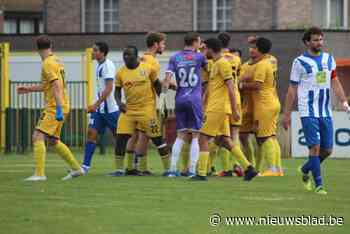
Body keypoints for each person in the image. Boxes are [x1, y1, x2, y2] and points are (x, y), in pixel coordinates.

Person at [283, 27, 350, 195]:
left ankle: (306, 168)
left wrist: (343, 101)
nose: (319, 42)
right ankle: (319, 185)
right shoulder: (299, 62)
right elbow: (292, 89)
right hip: (308, 111)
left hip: (325, 111)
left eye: (320, 39)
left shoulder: (329, 59)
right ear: (307, 42)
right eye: (315, 40)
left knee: (327, 150)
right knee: (314, 147)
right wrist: (287, 114)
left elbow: (335, 81)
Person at [17, 35, 83, 181]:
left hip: (55, 106)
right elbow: (48, 86)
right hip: (62, 104)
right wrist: (28, 89)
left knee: (37, 136)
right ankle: (77, 169)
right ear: (51, 46)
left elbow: (56, 86)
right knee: (53, 140)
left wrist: (58, 108)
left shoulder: (47, 64)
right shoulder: (56, 61)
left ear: (37, 49)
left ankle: (39, 174)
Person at [191, 38, 258, 181]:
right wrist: (203, 103)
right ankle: (249, 168)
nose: (203, 52)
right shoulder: (215, 64)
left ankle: (201, 173)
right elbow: (212, 87)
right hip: (217, 107)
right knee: (225, 140)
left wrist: (235, 109)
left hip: (218, 108)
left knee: (203, 138)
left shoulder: (222, 64)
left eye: (204, 48)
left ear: (210, 48)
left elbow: (231, 88)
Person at [110, 46, 170, 176]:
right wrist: (119, 103)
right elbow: (117, 91)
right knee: (121, 138)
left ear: (136, 56)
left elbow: (157, 86)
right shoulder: (120, 73)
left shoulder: (148, 69)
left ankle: (168, 170)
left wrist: (163, 104)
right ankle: (120, 170)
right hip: (129, 110)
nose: (126, 57)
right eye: (124, 55)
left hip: (146, 110)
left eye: (129, 55)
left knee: (157, 139)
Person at [163, 32, 207, 177]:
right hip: (195, 99)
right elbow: (209, 71)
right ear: (195, 42)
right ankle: (193, 170)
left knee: (180, 134)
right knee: (195, 136)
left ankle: (172, 170)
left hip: (180, 99)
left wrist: (164, 91)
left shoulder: (175, 57)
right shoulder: (200, 57)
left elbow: (167, 80)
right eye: (199, 42)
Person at [124, 32, 167, 176]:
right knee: (144, 136)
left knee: (138, 135)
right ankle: (137, 167)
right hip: (145, 105)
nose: (164, 46)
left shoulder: (143, 57)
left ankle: (135, 167)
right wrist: (169, 86)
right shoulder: (152, 61)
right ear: (155, 44)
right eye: (162, 43)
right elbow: (151, 80)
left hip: (135, 104)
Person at [239, 37, 282, 176]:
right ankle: (274, 168)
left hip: (264, 104)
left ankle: (273, 169)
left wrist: (240, 84)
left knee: (264, 137)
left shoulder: (263, 64)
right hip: (266, 102)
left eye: (254, 47)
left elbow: (257, 85)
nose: (251, 49)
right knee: (269, 136)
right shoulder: (268, 61)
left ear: (260, 50)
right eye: (250, 47)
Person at [81, 42, 119, 173]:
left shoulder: (108, 66)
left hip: (110, 109)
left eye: (96, 50)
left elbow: (108, 89)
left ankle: (132, 163)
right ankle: (85, 167)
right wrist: (97, 106)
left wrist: (95, 104)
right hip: (99, 110)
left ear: (103, 52)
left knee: (120, 138)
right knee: (91, 133)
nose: (93, 52)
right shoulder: (99, 65)